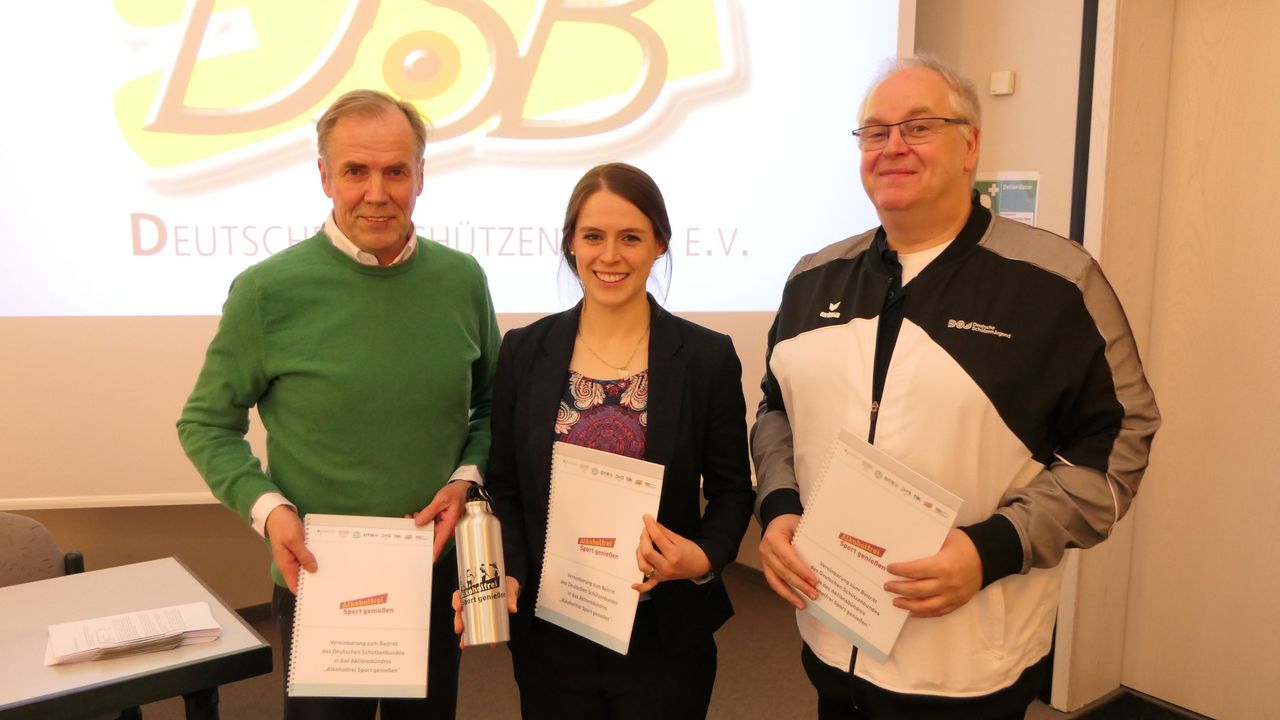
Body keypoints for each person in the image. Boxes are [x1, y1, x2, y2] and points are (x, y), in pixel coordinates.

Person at [752, 56, 1160, 719]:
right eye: (874, 132)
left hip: (968, 660)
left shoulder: (1059, 284)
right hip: (832, 632)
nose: (893, 148)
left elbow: (1118, 446)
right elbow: (775, 412)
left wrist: (992, 546)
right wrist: (779, 506)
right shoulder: (813, 278)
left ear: (970, 145)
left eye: (919, 127)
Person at [177, 89, 499, 720]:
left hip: (431, 576)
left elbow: (491, 406)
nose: (376, 191)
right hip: (319, 578)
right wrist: (271, 514)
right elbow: (206, 423)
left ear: (421, 177)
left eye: (395, 170)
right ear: (324, 176)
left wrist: (466, 479)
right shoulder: (268, 292)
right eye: (356, 171)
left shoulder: (463, 280)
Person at [471, 162, 755, 719]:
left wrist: (701, 558)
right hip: (552, 633)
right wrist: (509, 567)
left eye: (631, 238)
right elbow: (504, 485)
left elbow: (731, 491)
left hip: (663, 634)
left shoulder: (705, 357)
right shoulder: (525, 351)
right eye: (593, 236)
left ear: (659, 246)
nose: (610, 256)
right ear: (570, 244)